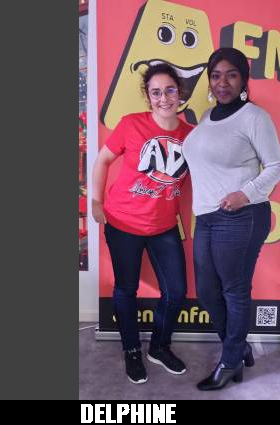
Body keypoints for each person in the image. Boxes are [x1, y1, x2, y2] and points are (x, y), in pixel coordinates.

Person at [182, 47, 280, 391]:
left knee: (234, 290)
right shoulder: (208, 116)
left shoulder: (254, 117)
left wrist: (245, 194)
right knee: (208, 292)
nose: (222, 82)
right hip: (207, 218)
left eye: (231, 75)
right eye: (215, 76)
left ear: (243, 79)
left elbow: (276, 167)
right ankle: (237, 349)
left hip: (241, 216)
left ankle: (229, 362)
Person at [92, 63, 193, 384]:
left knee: (176, 291)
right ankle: (132, 350)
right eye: (156, 92)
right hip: (122, 223)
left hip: (164, 227)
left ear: (180, 92)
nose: (164, 98)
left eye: (170, 90)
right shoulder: (131, 124)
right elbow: (103, 160)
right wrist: (95, 201)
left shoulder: (191, 136)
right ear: (148, 97)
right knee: (125, 289)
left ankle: (159, 347)